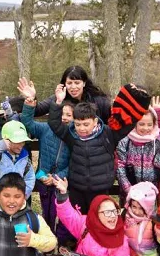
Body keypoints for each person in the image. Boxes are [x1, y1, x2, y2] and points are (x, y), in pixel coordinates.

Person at [48, 83, 151, 213]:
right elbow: (54, 124)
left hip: (100, 189)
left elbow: (128, 124)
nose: (82, 128)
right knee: (77, 222)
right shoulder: (72, 135)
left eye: (86, 124)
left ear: (95, 121)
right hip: (77, 189)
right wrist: (58, 102)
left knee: (98, 221)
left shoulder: (108, 134)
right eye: (78, 124)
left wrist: (139, 102)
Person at [18, 78, 73, 244]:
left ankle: (62, 242)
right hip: (43, 179)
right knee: (46, 211)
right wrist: (29, 101)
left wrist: (57, 178)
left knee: (62, 214)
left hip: (61, 182)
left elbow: (74, 163)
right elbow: (27, 123)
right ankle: (47, 242)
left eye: (69, 115)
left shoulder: (75, 135)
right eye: (61, 114)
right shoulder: (46, 129)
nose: (64, 118)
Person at [115, 96, 160, 199]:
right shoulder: (125, 141)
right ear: (135, 124)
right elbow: (120, 168)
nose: (146, 128)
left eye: (149, 125)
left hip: (152, 192)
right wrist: (129, 189)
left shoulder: (156, 141)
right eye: (141, 124)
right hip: (130, 192)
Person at [32, 65, 112, 122]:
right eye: (69, 83)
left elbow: (110, 124)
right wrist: (31, 99)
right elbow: (38, 110)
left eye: (77, 83)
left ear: (84, 83)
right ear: (64, 84)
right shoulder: (59, 98)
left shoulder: (100, 101)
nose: (73, 87)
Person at [124, 182, 160, 256]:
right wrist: (127, 250)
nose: (136, 211)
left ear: (148, 207)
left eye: (141, 208)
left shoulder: (153, 221)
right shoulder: (126, 218)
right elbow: (120, 237)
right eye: (134, 206)